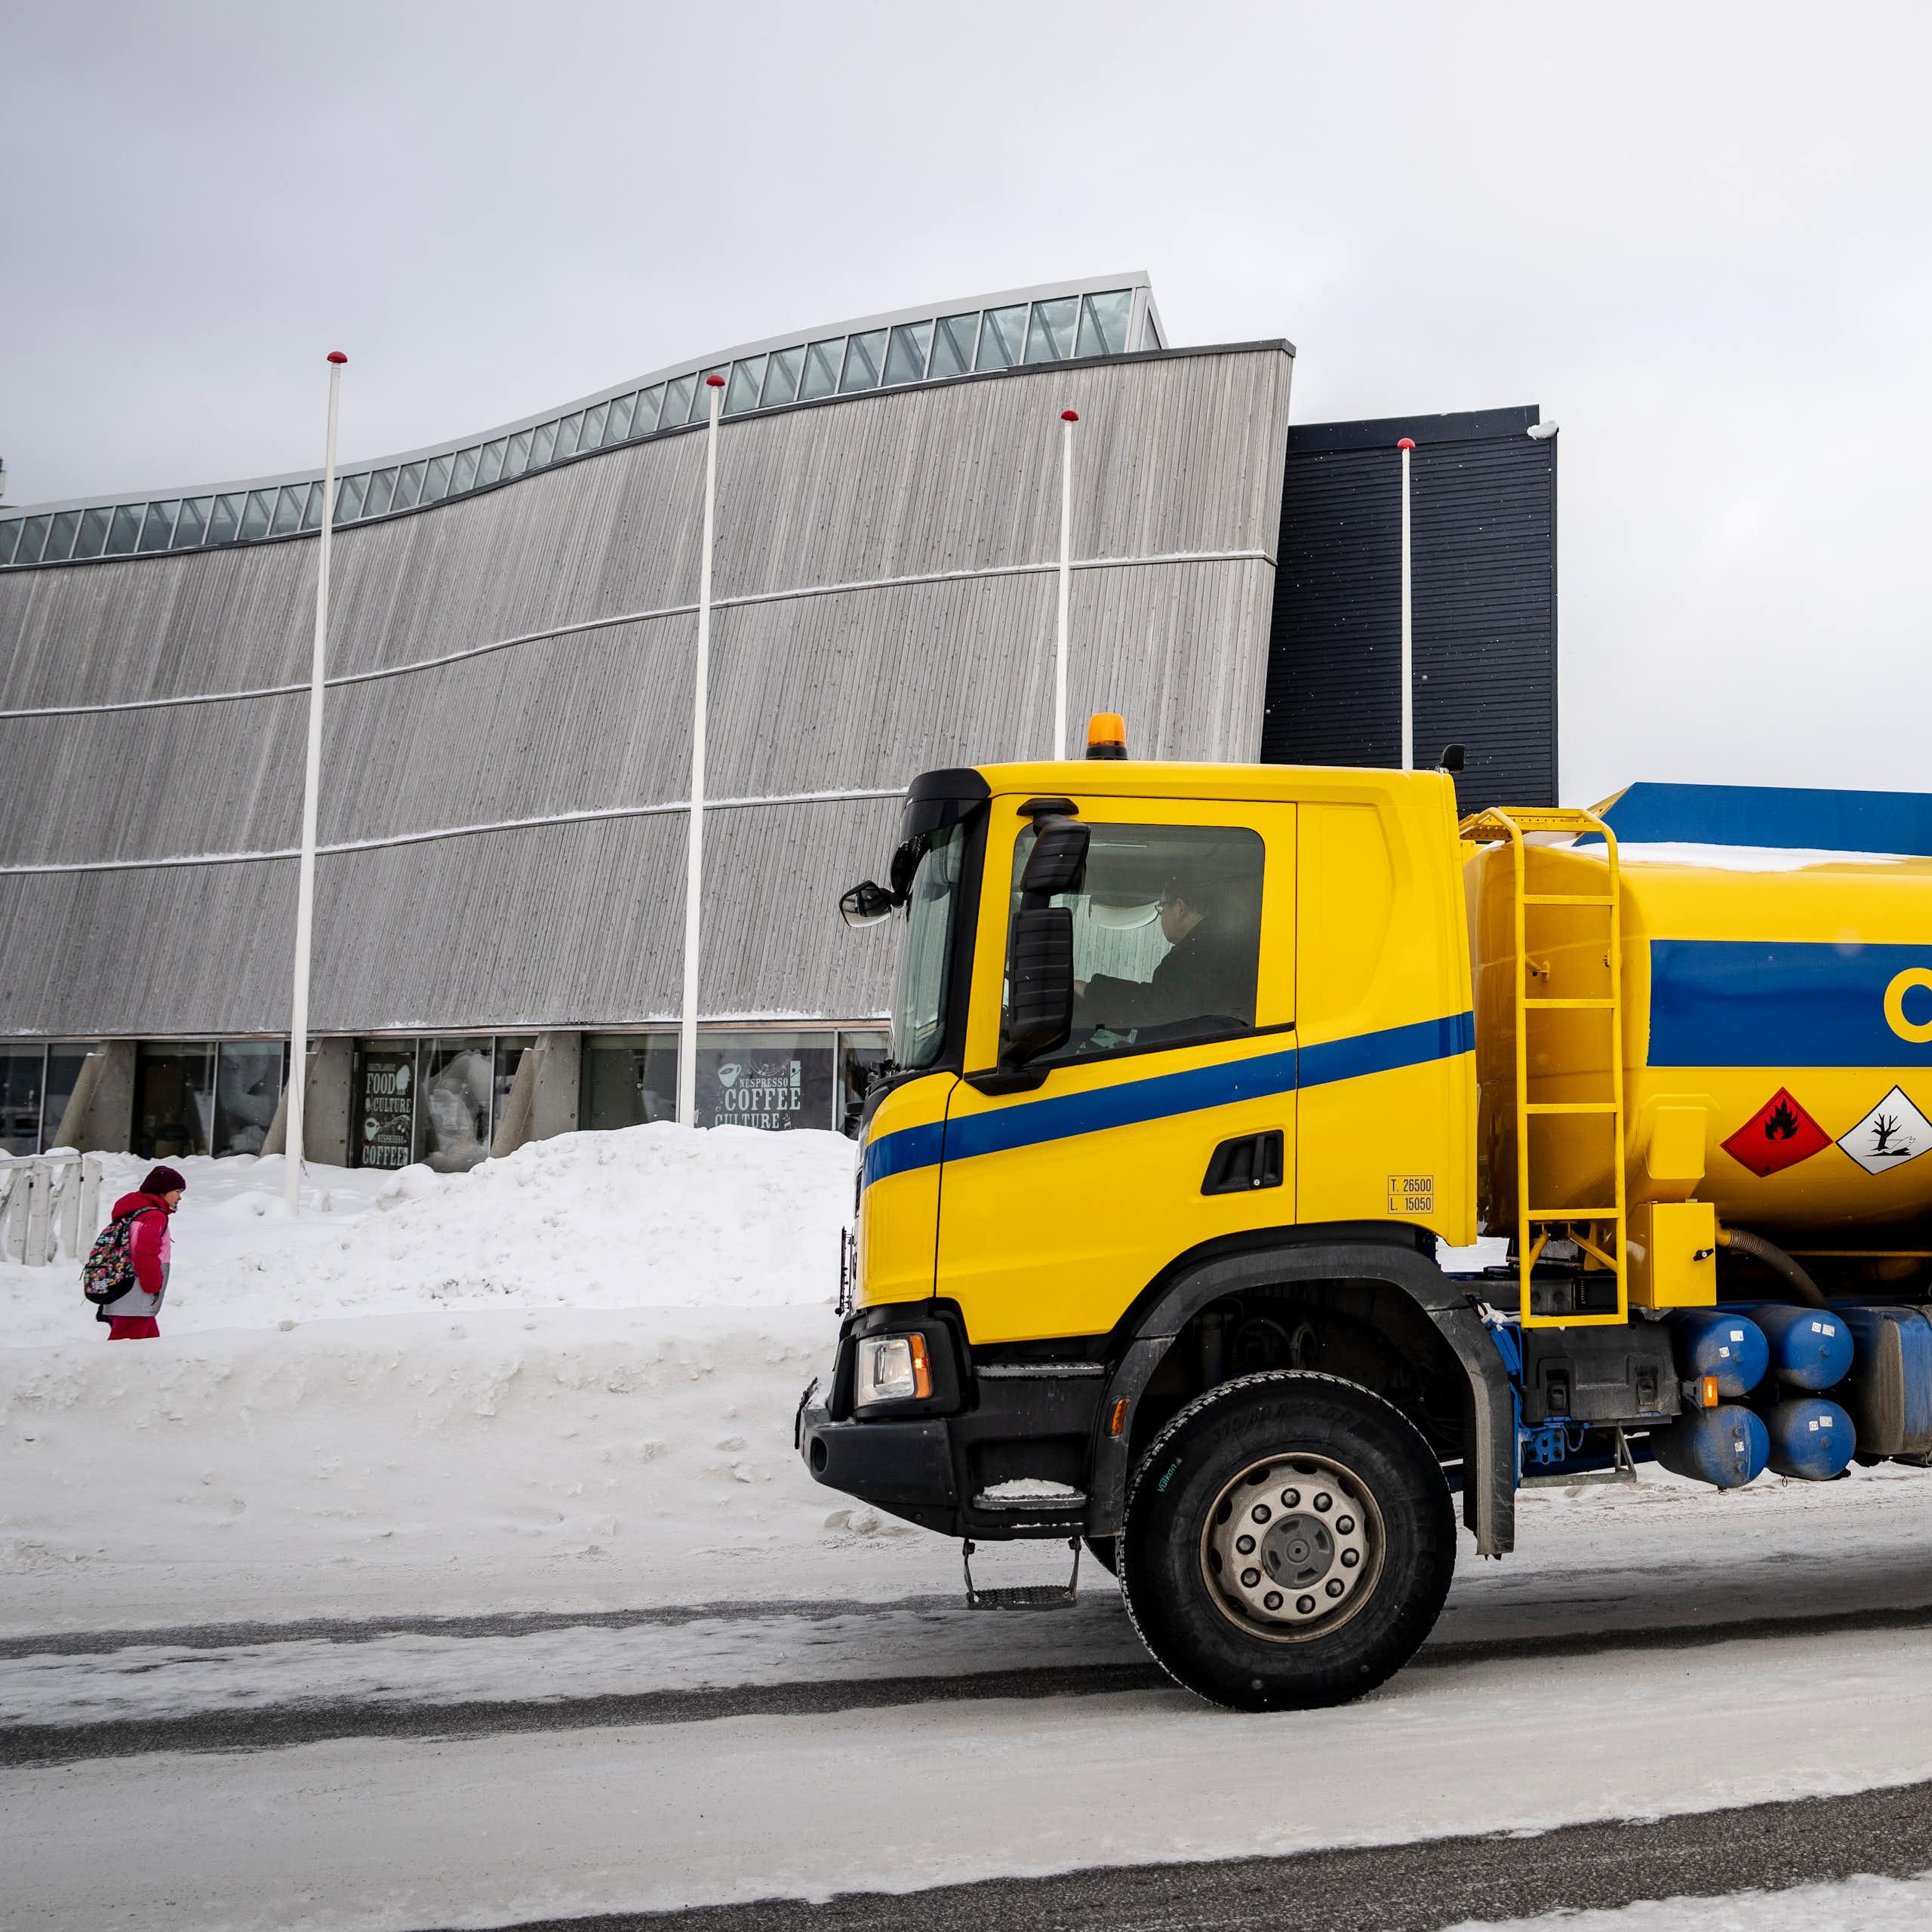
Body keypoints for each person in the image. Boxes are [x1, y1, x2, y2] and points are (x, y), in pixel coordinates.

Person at [1077, 874, 1258, 1036]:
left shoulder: (1210, 951)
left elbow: (1165, 1007)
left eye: (1162, 909)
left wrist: (1091, 991)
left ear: (1180, 908)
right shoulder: (1214, 943)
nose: (1161, 916)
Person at [99, 1165, 185, 1340]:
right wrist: (153, 1286)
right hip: (138, 1291)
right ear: (163, 1191)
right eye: (177, 1191)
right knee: (123, 1350)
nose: (180, 1197)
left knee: (150, 1343)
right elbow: (145, 1253)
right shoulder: (154, 1216)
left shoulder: (133, 1213)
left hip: (121, 1284)